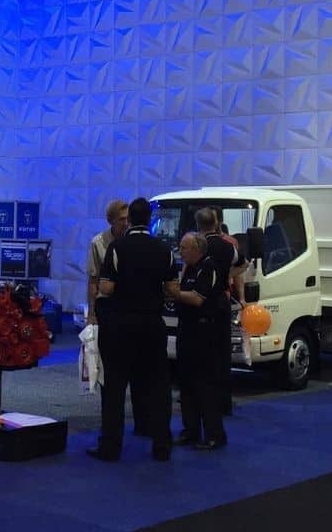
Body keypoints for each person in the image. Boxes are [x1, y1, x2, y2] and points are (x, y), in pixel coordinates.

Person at [90, 198, 178, 462]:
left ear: (131, 220)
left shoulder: (117, 248)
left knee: (114, 387)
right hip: (152, 324)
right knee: (158, 385)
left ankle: (110, 446)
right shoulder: (164, 249)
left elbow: (105, 288)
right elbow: (172, 290)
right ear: (149, 219)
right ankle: (162, 444)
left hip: (120, 324)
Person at [172, 232, 227, 450]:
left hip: (204, 332)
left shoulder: (208, 267)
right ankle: (191, 430)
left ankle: (214, 433)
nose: (180, 251)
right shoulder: (189, 268)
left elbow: (197, 298)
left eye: (184, 248)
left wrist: (175, 293)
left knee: (205, 385)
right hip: (186, 330)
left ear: (197, 249)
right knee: (186, 384)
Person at [194, 208, 243, 415]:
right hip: (221, 303)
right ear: (216, 222)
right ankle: (224, 403)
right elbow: (243, 264)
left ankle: (204, 401)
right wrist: (226, 276)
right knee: (223, 356)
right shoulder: (228, 245)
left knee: (202, 357)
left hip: (202, 304)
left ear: (198, 225)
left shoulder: (197, 246)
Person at [86, 200, 129, 326]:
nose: (126, 223)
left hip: (128, 306)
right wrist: (91, 314)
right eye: (122, 219)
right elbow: (93, 280)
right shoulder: (98, 243)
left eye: (128, 218)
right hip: (106, 306)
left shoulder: (133, 242)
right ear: (111, 221)